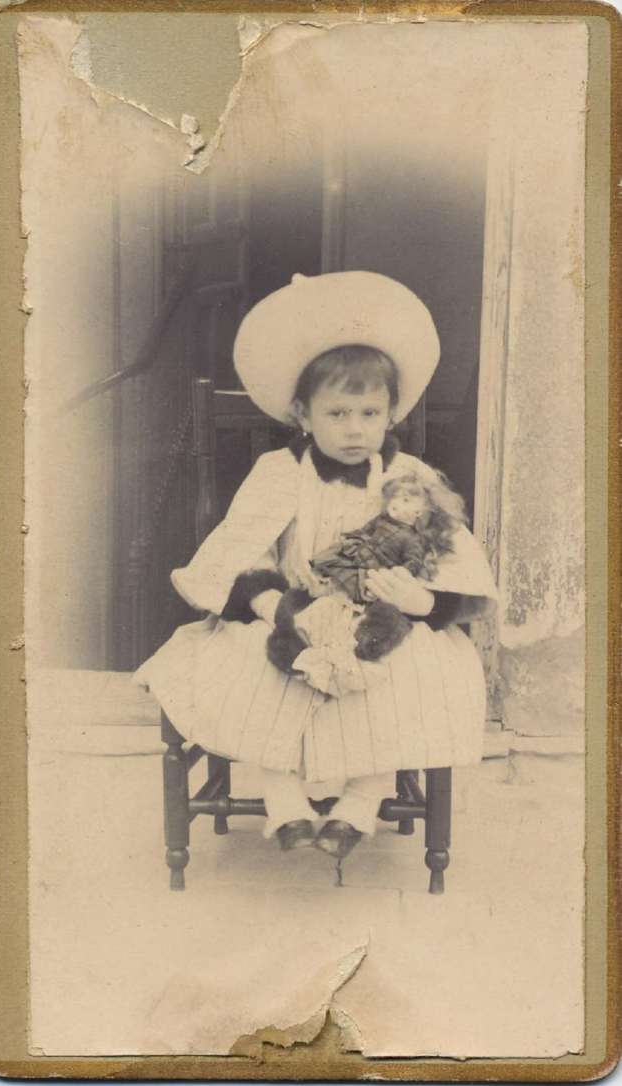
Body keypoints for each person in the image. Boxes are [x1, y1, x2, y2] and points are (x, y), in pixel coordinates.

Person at [134, 271, 498, 862]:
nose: (355, 429)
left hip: (383, 619)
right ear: (303, 414)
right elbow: (242, 550)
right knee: (252, 667)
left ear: (391, 414)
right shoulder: (279, 473)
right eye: (337, 413)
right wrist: (273, 606)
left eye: (369, 413)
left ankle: (360, 803)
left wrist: (420, 601)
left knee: (405, 676)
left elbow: (453, 559)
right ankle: (285, 804)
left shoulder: (411, 480)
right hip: (295, 611)